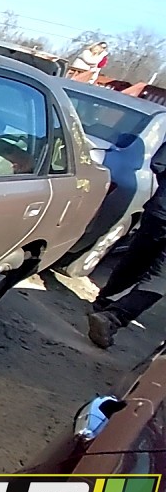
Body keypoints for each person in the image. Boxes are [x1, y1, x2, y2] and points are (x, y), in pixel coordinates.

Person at [88, 139, 166, 348]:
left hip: (160, 211)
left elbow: (159, 163)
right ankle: (112, 318)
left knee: (137, 258)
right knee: (159, 278)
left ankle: (103, 302)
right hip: (160, 209)